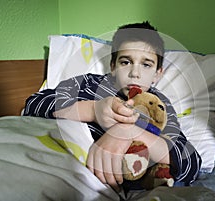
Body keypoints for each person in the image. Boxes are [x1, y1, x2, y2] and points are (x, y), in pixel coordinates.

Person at [23, 21, 201, 193]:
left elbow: (190, 160)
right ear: (113, 66)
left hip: (120, 183)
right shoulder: (89, 83)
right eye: (125, 62)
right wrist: (92, 110)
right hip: (65, 164)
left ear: (157, 74)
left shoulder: (159, 103)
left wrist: (128, 132)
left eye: (146, 64)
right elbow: (33, 104)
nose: (135, 73)